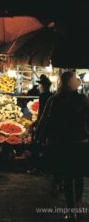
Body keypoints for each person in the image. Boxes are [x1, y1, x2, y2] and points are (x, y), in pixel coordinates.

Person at [36, 71, 89, 220]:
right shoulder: (82, 99)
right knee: (78, 175)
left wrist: (39, 137)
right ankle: (76, 205)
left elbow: (46, 122)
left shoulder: (54, 100)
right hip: (79, 142)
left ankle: (71, 208)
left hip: (62, 143)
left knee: (67, 176)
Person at [27, 75, 53, 174]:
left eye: (40, 85)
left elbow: (42, 113)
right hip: (49, 125)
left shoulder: (43, 96)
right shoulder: (51, 95)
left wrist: (36, 124)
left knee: (36, 145)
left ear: (43, 86)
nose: (39, 87)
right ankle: (45, 167)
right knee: (44, 147)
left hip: (43, 124)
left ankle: (37, 167)